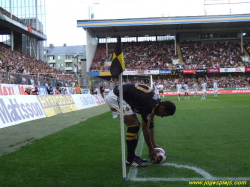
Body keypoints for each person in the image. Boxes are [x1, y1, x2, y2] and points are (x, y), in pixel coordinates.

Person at [106, 83, 176, 167]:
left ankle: (132, 157)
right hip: (116, 96)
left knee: (135, 125)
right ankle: (130, 160)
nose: (161, 117)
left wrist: (153, 144)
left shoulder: (155, 103)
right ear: (162, 108)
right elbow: (145, 128)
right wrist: (150, 149)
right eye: (164, 115)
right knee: (134, 125)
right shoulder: (150, 104)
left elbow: (150, 124)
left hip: (122, 95)